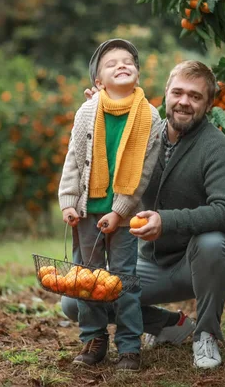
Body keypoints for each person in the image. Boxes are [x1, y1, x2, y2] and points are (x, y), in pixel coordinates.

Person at [61, 60, 225, 369]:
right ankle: (169, 324)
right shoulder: (143, 131)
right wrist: (99, 115)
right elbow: (104, 152)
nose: (184, 101)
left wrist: (167, 221)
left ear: (209, 103)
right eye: (178, 92)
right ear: (166, 93)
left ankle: (206, 335)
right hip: (149, 263)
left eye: (195, 96)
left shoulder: (216, 147)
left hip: (196, 262)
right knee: (74, 302)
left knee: (213, 243)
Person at [58, 38, 163, 372]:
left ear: (137, 71)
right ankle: (93, 337)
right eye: (112, 62)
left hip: (125, 212)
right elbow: (73, 160)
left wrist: (119, 212)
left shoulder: (150, 116)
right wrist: (69, 201)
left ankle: (130, 347)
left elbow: (143, 172)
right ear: (98, 82)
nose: (122, 64)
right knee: (87, 278)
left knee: (124, 280)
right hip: (88, 211)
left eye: (128, 60)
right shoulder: (88, 111)